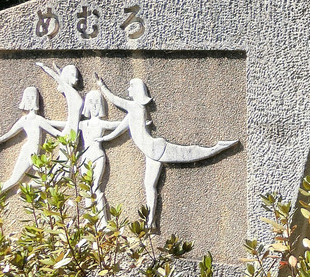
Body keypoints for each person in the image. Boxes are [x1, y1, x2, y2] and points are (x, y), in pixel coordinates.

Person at [96, 75, 237, 229]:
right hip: (151, 152)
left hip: (155, 149)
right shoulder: (134, 111)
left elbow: (114, 99)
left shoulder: (134, 107)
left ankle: (218, 148)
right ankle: (150, 221)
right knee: (149, 185)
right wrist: (104, 139)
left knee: (189, 153)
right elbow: (121, 129)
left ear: (136, 91)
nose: (128, 89)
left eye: (131, 87)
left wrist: (102, 86)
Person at [0, 87, 62, 193]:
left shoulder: (38, 119)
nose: (31, 100)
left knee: (45, 177)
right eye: (28, 98)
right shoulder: (25, 120)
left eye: (33, 98)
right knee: (15, 179)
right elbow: (10, 133)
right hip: (29, 151)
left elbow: (53, 130)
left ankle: (25, 189)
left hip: (34, 154)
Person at [79, 89, 127, 219]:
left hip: (98, 156)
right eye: (91, 102)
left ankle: (102, 220)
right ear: (87, 105)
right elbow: (66, 126)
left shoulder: (102, 124)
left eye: (96, 102)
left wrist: (136, 119)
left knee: (95, 187)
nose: (94, 105)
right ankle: (91, 220)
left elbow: (119, 125)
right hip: (86, 158)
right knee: (87, 188)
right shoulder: (83, 124)